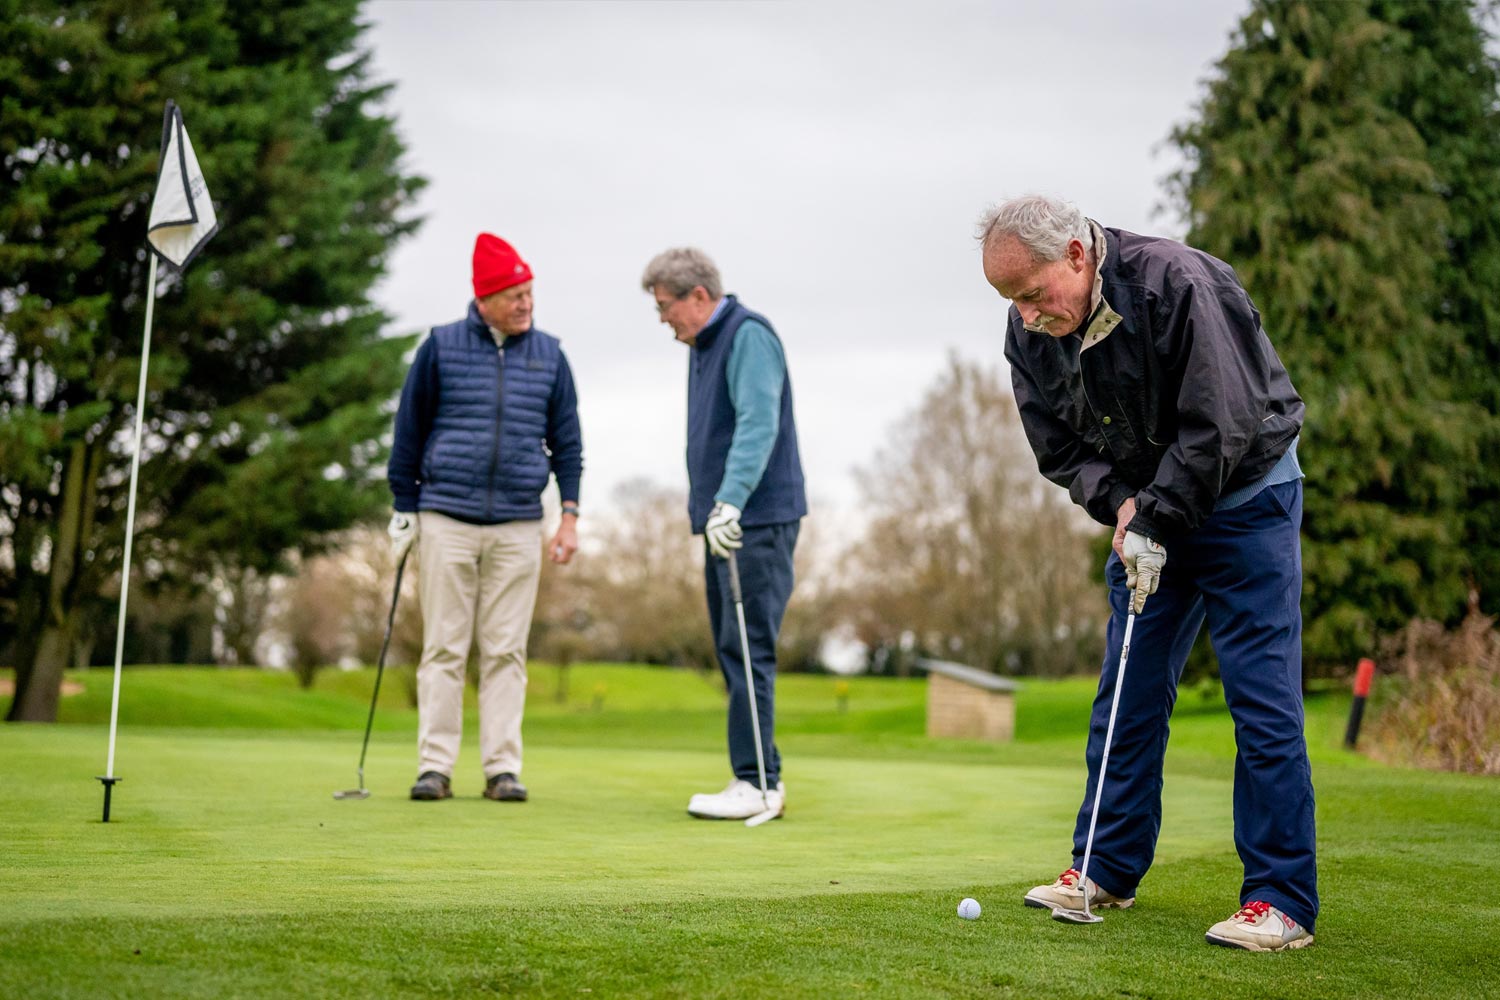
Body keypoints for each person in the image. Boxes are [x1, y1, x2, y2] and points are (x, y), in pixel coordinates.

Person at [978, 195, 1316, 952]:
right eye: (1012, 303)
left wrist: (1154, 515)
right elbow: (1058, 447)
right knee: (1126, 693)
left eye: (1034, 295)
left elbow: (1222, 420)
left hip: (1248, 501)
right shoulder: (1029, 328)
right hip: (1148, 516)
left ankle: (1281, 900)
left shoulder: (1175, 282)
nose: (1028, 317)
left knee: (1261, 701)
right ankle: (1103, 867)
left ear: (1075, 254)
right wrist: (1124, 506)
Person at [387, 232, 583, 803]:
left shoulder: (550, 355)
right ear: (485, 297)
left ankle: (502, 768)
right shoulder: (441, 347)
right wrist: (404, 507)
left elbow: (568, 444)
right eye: (515, 294)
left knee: (505, 650)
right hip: (446, 516)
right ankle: (435, 767)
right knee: (445, 646)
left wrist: (568, 515)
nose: (526, 303)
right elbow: (409, 432)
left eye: (529, 293)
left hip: (520, 521)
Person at [640, 248, 806, 821]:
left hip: (754, 518)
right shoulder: (704, 344)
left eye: (667, 307)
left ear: (700, 296)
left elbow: (759, 422)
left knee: (747, 645)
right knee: (732, 646)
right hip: (728, 519)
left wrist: (731, 500)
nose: (665, 319)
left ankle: (760, 783)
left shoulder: (747, 336)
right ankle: (752, 775)